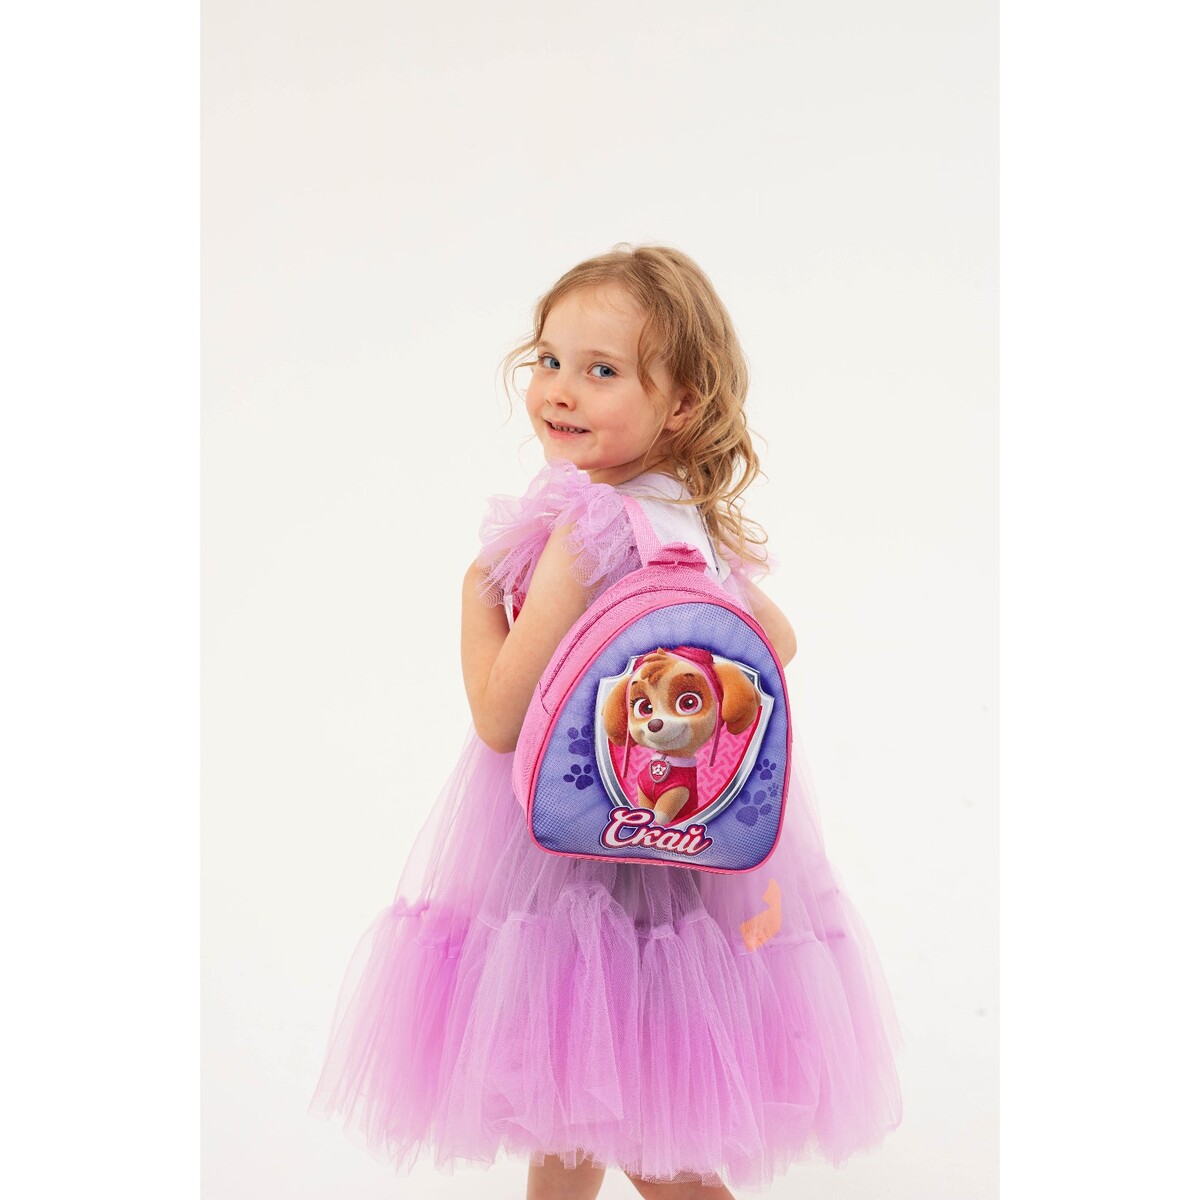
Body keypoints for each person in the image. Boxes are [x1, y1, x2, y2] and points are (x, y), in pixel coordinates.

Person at [310, 244, 904, 1197]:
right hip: (683, 850)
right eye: (548, 360)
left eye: (602, 371)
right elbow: (779, 642)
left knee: (636, 1123)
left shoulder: (584, 533)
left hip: (577, 853)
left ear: (682, 405)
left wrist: (476, 598)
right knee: (581, 1091)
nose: (560, 389)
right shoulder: (690, 526)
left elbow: (499, 717)